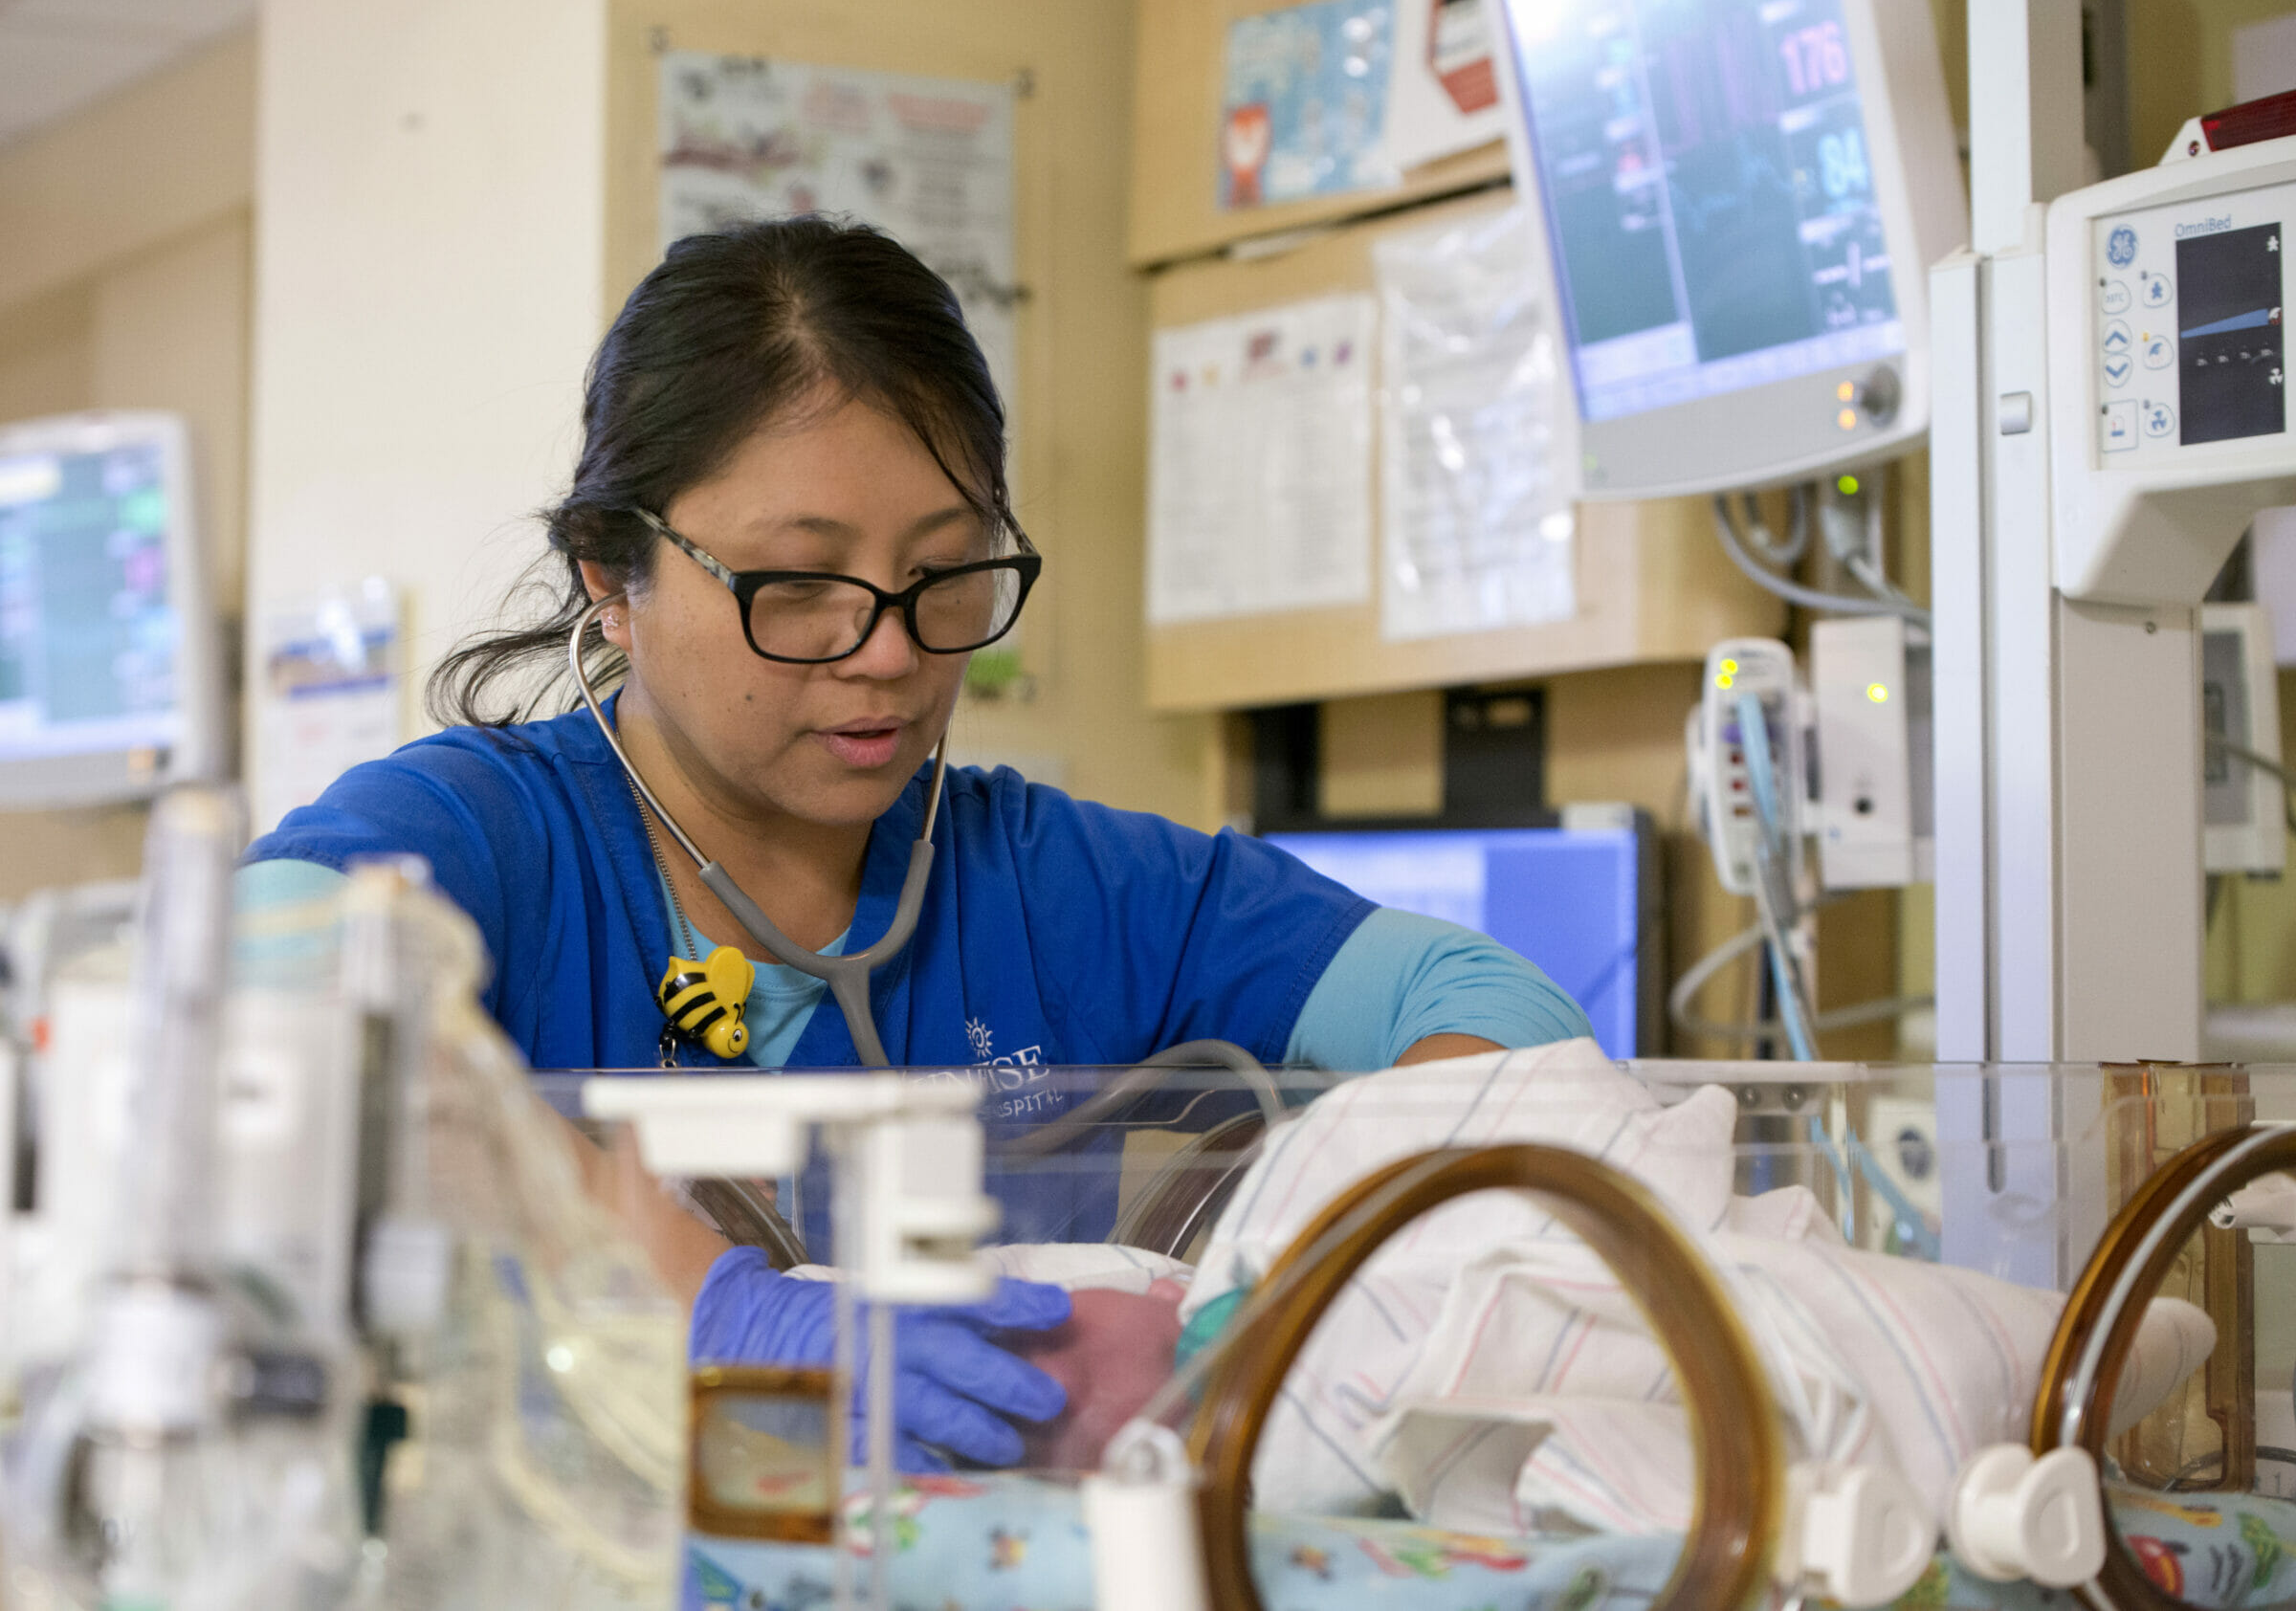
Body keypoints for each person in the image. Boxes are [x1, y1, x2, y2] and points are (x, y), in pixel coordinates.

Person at [237, 216, 1589, 1468]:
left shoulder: (1058, 883)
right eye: (804, 584)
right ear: (613, 572)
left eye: (943, 573)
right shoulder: (484, 837)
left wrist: (1296, 1295)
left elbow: (1493, 1013)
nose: (887, 652)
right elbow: (265, 1019)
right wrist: (713, 1310)